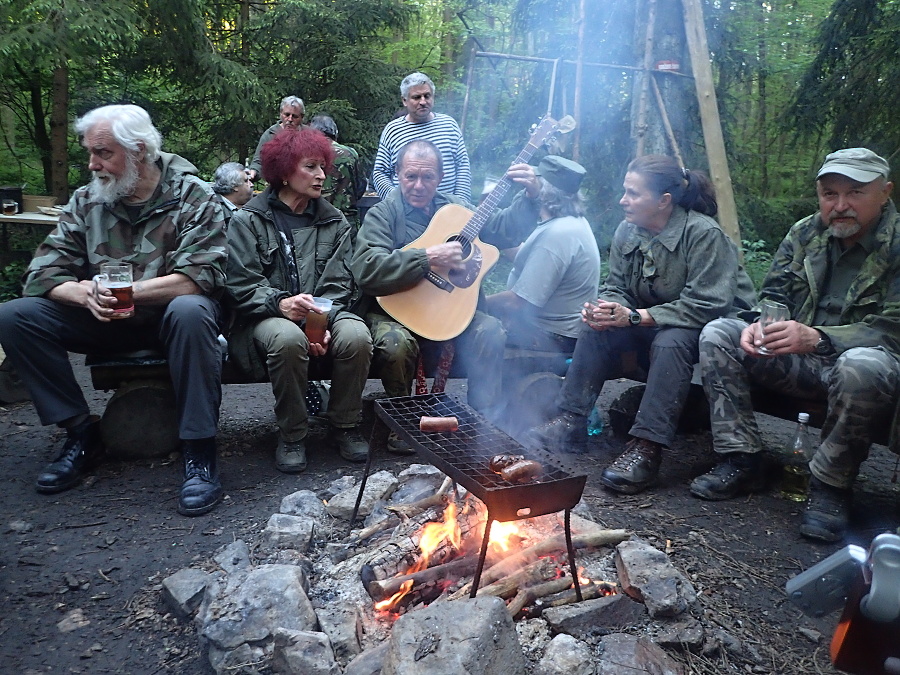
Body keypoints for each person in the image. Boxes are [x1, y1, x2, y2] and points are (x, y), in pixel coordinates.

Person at [0, 104, 228, 516]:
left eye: (103, 153)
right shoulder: (88, 200)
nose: (93, 164)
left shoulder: (194, 195)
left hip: (170, 322)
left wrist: (133, 291)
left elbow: (201, 275)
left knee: (193, 309)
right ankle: (81, 432)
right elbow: (42, 272)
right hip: (103, 320)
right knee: (16, 316)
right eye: (90, 152)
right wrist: (83, 293)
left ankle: (199, 450)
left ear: (137, 150)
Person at [694, 147, 900, 543]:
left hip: (872, 377)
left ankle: (830, 486)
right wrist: (760, 326)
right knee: (720, 333)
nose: (840, 206)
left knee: (860, 364)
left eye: (855, 192)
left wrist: (820, 338)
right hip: (801, 361)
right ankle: (742, 458)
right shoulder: (806, 233)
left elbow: (894, 328)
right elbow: (774, 296)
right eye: (829, 194)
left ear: (885, 192)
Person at [526, 155, 755, 496]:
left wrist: (637, 317)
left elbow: (707, 305)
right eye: (624, 192)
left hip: (713, 330)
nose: (623, 200)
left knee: (671, 341)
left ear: (664, 201)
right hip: (655, 321)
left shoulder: (703, 234)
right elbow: (617, 284)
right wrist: (608, 308)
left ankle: (647, 446)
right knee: (596, 328)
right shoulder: (627, 230)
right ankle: (571, 420)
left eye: (633, 194)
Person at [351, 139, 540, 442]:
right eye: (411, 176)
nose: (418, 185)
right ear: (398, 174)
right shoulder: (383, 215)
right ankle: (403, 423)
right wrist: (426, 258)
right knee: (396, 343)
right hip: (396, 312)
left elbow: (502, 228)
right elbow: (367, 269)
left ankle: (483, 423)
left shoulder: (455, 210)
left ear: (440, 178)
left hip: (447, 312)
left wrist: (531, 195)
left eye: (428, 177)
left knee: (490, 329)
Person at [224, 127, 372, 473]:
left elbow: (340, 283)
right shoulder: (248, 220)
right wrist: (281, 304)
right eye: (311, 167)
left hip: (326, 312)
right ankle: (292, 434)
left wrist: (317, 322)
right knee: (289, 340)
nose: (322, 175)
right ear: (285, 173)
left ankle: (345, 425)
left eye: (323, 166)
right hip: (263, 317)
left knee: (358, 337)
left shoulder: (334, 221)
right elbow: (242, 284)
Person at [485, 156, 601, 355]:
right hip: (554, 331)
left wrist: (474, 304)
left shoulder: (559, 234)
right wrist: (497, 240)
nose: (527, 190)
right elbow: (533, 259)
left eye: (534, 183)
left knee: (477, 334)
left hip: (552, 336)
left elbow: (517, 302)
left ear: (545, 190)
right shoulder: (570, 222)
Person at [371, 73, 471, 201]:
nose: (423, 102)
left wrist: (460, 203)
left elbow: (462, 165)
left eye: (427, 96)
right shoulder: (393, 130)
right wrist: (395, 203)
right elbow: (380, 172)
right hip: (407, 214)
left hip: (448, 211)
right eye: (416, 97)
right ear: (404, 100)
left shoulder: (449, 125)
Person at [308, 114, 366, 227]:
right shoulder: (351, 153)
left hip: (320, 220)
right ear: (335, 133)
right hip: (348, 219)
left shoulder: (310, 154)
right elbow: (361, 186)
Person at [247, 96, 305, 181]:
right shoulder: (270, 134)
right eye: (287, 114)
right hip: (277, 183)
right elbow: (258, 161)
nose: (290, 119)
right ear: (281, 113)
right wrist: (253, 172)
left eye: (295, 116)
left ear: (301, 117)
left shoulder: (308, 134)